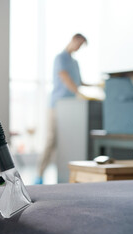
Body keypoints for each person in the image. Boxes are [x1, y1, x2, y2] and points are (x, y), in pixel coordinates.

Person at [35, 33, 87, 184]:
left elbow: (79, 82)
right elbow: (65, 78)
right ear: (74, 40)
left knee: (66, 141)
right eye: (80, 43)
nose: (79, 47)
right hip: (57, 105)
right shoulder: (61, 58)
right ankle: (39, 174)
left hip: (71, 108)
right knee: (51, 139)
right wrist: (79, 93)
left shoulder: (75, 62)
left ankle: (64, 175)